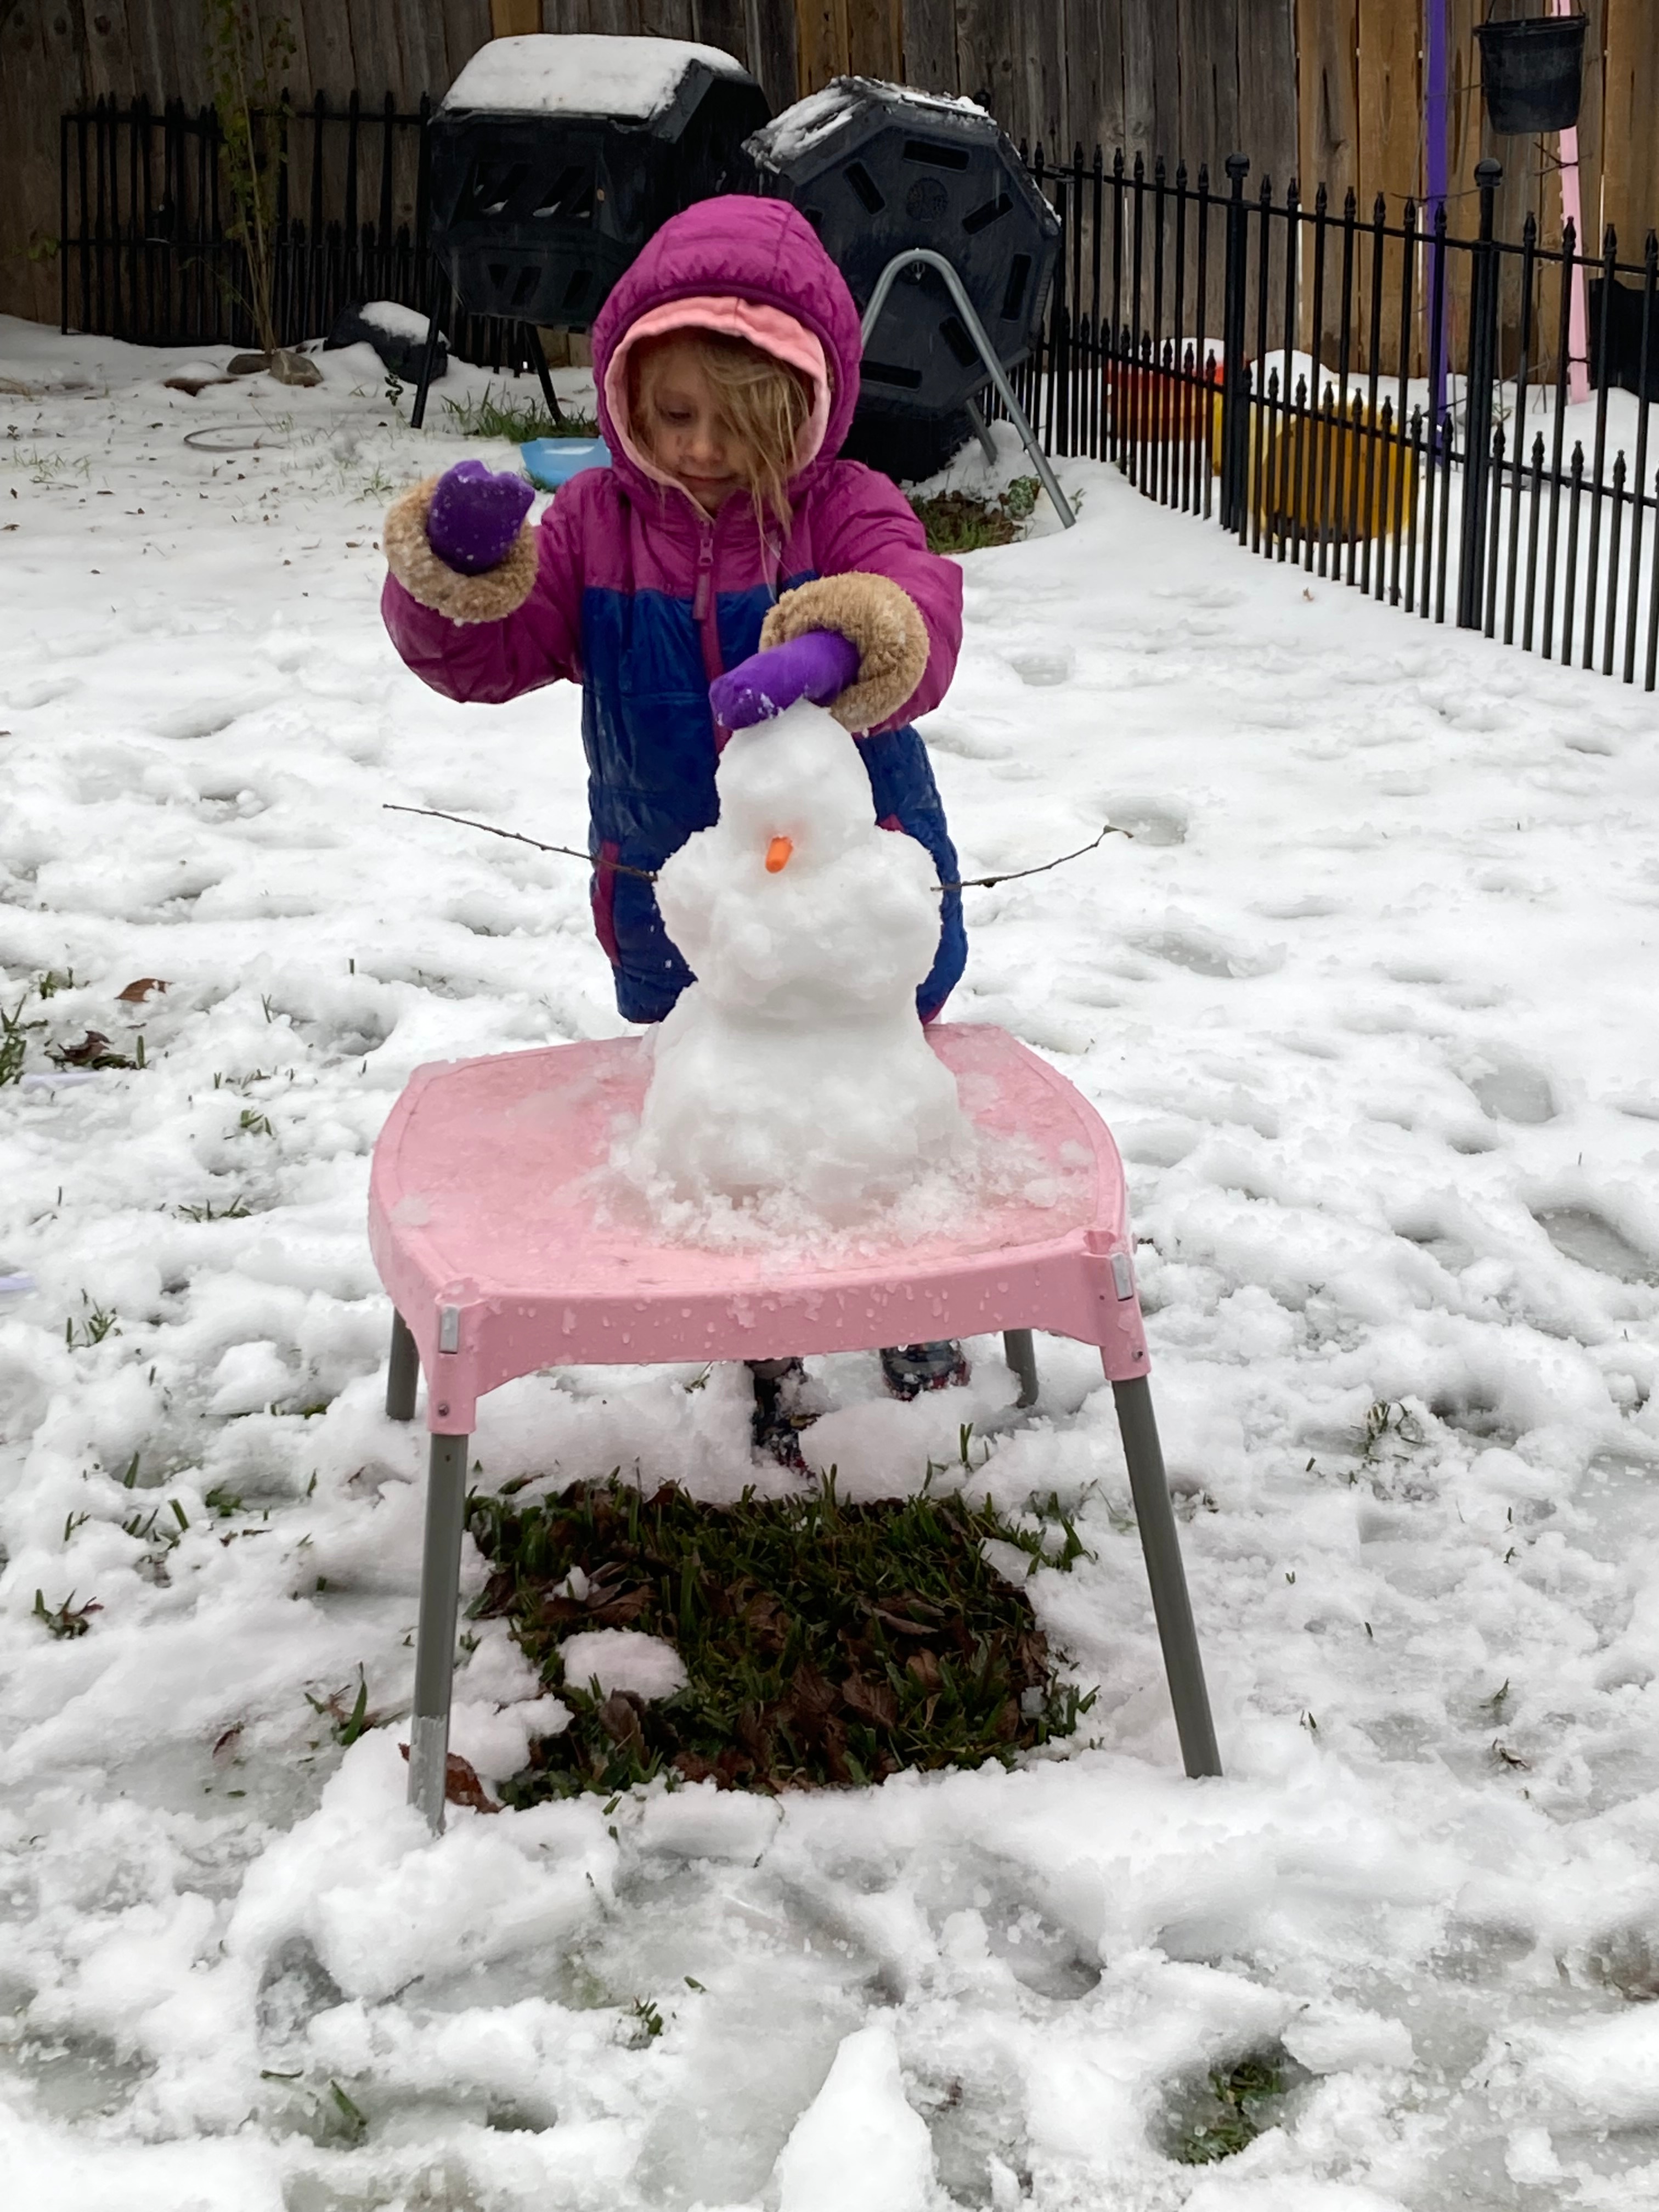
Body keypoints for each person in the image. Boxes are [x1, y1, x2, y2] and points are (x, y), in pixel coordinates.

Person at [380, 194, 971, 1457]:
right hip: (668, 874)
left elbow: (917, 604)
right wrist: (459, 577)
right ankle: (757, 1322)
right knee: (728, 1091)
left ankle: (911, 1288)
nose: (701, 450)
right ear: (628, 397)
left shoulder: (842, 507)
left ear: (807, 408)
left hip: (841, 880)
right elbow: (495, 657)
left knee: (867, 1070)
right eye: (675, 415)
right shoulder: (595, 528)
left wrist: (835, 641)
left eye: (740, 423)